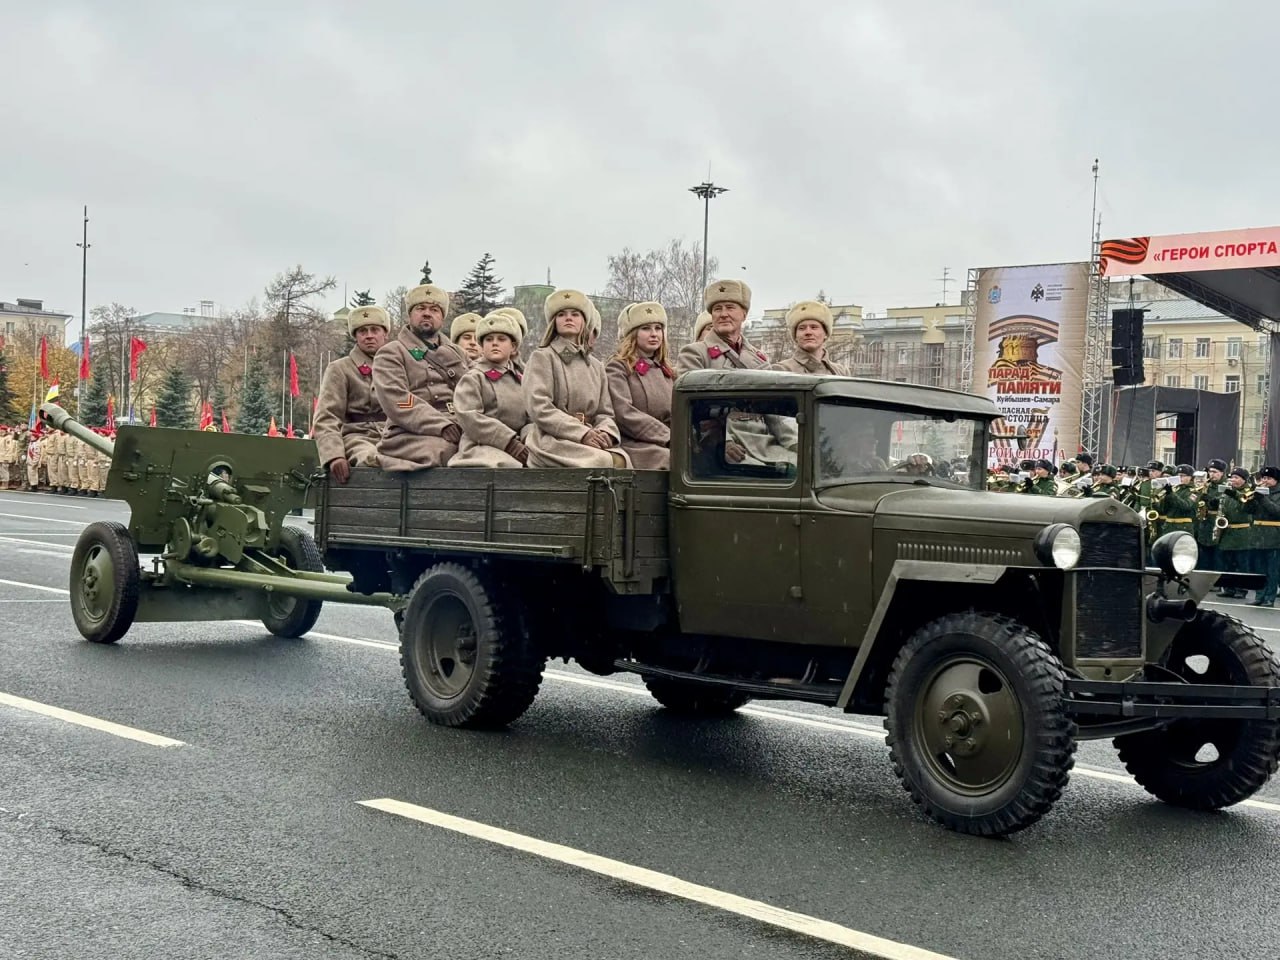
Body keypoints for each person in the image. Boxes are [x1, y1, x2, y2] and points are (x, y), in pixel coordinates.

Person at [524, 288, 628, 468]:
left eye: (575, 314)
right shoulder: (543, 357)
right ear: (554, 322)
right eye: (562, 315)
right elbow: (539, 407)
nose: (569, 318)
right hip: (552, 439)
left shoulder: (596, 366)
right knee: (600, 462)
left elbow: (605, 412)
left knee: (622, 461)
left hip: (590, 437)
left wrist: (605, 432)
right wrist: (581, 433)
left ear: (584, 322)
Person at [373, 283, 469, 471]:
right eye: (420, 308)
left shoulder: (458, 353)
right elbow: (398, 400)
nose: (427, 314)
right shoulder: (392, 353)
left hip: (461, 426)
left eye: (434, 309)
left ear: (442, 317)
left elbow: (475, 389)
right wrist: (441, 424)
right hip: (408, 434)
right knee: (446, 452)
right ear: (410, 315)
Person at [314, 304, 391, 483]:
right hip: (358, 436)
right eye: (362, 331)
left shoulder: (398, 367)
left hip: (394, 434)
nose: (369, 335)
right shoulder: (340, 369)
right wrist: (334, 456)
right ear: (355, 336)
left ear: (385, 334)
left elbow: (408, 403)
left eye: (375, 329)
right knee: (373, 460)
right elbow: (327, 417)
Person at [449, 311, 531, 468]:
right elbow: (470, 418)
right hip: (481, 446)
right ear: (482, 346)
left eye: (501, 339)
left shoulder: (522, 380)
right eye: (488, 339)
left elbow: (531, 417)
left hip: (520, 444)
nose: (494, 343)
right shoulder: (473, 378)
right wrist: (508, 441)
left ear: (513, 347)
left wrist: (528, 439)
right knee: (507, 466)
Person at [606, 301, 674, 469]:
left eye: (658, 328)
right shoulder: (618, 367)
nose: (654, 334)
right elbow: (623, 413)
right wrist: (667, 436)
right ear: (632, 334)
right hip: (636, 443)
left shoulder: (668, 371)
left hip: (670, 440)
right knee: (670, 460)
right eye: (646, 328)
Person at [676, 279, 769, 372]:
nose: (723, 314)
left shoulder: (759, 358)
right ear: (712, 316)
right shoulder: (694, 354)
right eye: (717, 309)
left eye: (730, 308)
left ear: (744, 315)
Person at [770, 300, 849, 375]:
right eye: (802, 328)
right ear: (795, 336)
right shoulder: (782, 370)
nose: (808, 332)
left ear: (825, 333)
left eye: (814, 327)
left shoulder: (841, 372)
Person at [1217, 467, 1255, 598]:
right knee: (1227, 562)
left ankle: (1241, 589)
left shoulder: (1248, 492)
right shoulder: (1227, 492)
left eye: (1237, 478)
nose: (1233, 480)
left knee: (1242, 563)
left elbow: (1246, 508)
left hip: (1242, 531)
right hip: (1228, 531)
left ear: (1244, 480)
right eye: (1232, 477)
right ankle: (1229, 588)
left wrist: (1235, 495)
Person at [1247, 465, 1280, 606]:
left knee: (1272, 569)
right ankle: (1259, 596)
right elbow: (1248, 511)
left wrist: (1262, 499)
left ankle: (1269, 598)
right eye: (1264, 478)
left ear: (1276, 480)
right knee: (1258, 569)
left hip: (1273, 534)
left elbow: (1276, 511)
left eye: (1269, 478)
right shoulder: (1259, 493)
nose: (1265, 481)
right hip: (1257, 534)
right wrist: (1251, 499)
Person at [1196, 459, 1228, 574]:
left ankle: (1218, 580)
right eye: (1210, 471)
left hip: (1218, 522)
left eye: (1215, 472)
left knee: (1218, 554)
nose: (1212, 474)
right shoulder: (1206, 485)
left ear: (1222, 473)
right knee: (1204, 553)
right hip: (1205, 522)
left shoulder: (1226, 486)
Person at [1160, 464, 1199, 537]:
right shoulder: (1174, 489)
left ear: (1191, 477)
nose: (1180, 478)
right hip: (1168, 526)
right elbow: (1164, 509)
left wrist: (1171, 494)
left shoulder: (1194, 491)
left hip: (1183, 527)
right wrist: (1164, 497)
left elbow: (1186, 506)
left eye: (1183, 476)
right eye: (1178, 476)